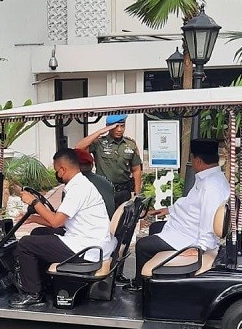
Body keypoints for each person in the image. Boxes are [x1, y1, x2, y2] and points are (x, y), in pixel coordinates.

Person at [10, 148, 115, 308]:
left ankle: (32, 293)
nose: (56, 175)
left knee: (25, 244)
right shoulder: (81, 184)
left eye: (56, 171)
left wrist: (33, 202)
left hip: (87, 250)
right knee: (38, 233)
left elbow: (56, 222)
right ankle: (43, 283)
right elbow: (63, 220)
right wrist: (32, 218)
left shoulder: (78, 189)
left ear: (63, 169)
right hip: (90, 241)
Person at [124, 139, 229, 292]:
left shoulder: (211, 186)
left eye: (191, 158)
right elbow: (192, 204)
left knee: (142, 246)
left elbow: (209, 218)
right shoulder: (209, 178)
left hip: (191, 237)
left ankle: (143, 289)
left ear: (198, 160)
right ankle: (158, 280)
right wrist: (170, 210)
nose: (191, 162)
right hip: (187, 229)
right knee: (155, 227)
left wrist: (199, 248)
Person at [75, 114, 142, 209]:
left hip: (124, 191)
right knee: (105, 220)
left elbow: (136, 169)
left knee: (123, 221)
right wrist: (99, 132)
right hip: (104, 190)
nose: (119, 129)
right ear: (108, 127)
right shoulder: (99, 143)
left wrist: (137, 194)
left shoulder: (130, 144)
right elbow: (79, 147)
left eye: (122, 126)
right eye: (115, 126)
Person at [75, 148, 116, 219]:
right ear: (92, 165)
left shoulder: (76, 184)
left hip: (89, 227)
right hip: (107, 224)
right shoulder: (106, 182)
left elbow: (61, 219)